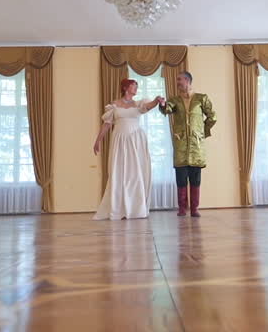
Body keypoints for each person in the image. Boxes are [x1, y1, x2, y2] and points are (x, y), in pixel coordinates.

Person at [92, 79, 164, 220]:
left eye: (137, 86)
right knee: (118, 172)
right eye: (133, 85)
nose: (136, 88)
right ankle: (119, 209)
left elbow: (148, 106)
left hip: (135, 140)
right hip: (119, 140)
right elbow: (107, 124)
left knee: (135, 173)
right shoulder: (114, 105)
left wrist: (156, 100)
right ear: (125, 87)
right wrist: (98, 141)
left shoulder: (138, 104)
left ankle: (135, 209)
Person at [159, 71, 216, 217]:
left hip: (196, 146)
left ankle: (195, 208)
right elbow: (167, 109)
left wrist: (202, 132)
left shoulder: (201, 98)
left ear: (187, 80)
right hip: (181, 145)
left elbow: (212, 116)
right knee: (181, 178)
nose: (177, 82)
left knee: (195, 179)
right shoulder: (175, 100)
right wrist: (163, 104)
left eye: (179, 80)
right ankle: (182, 208)